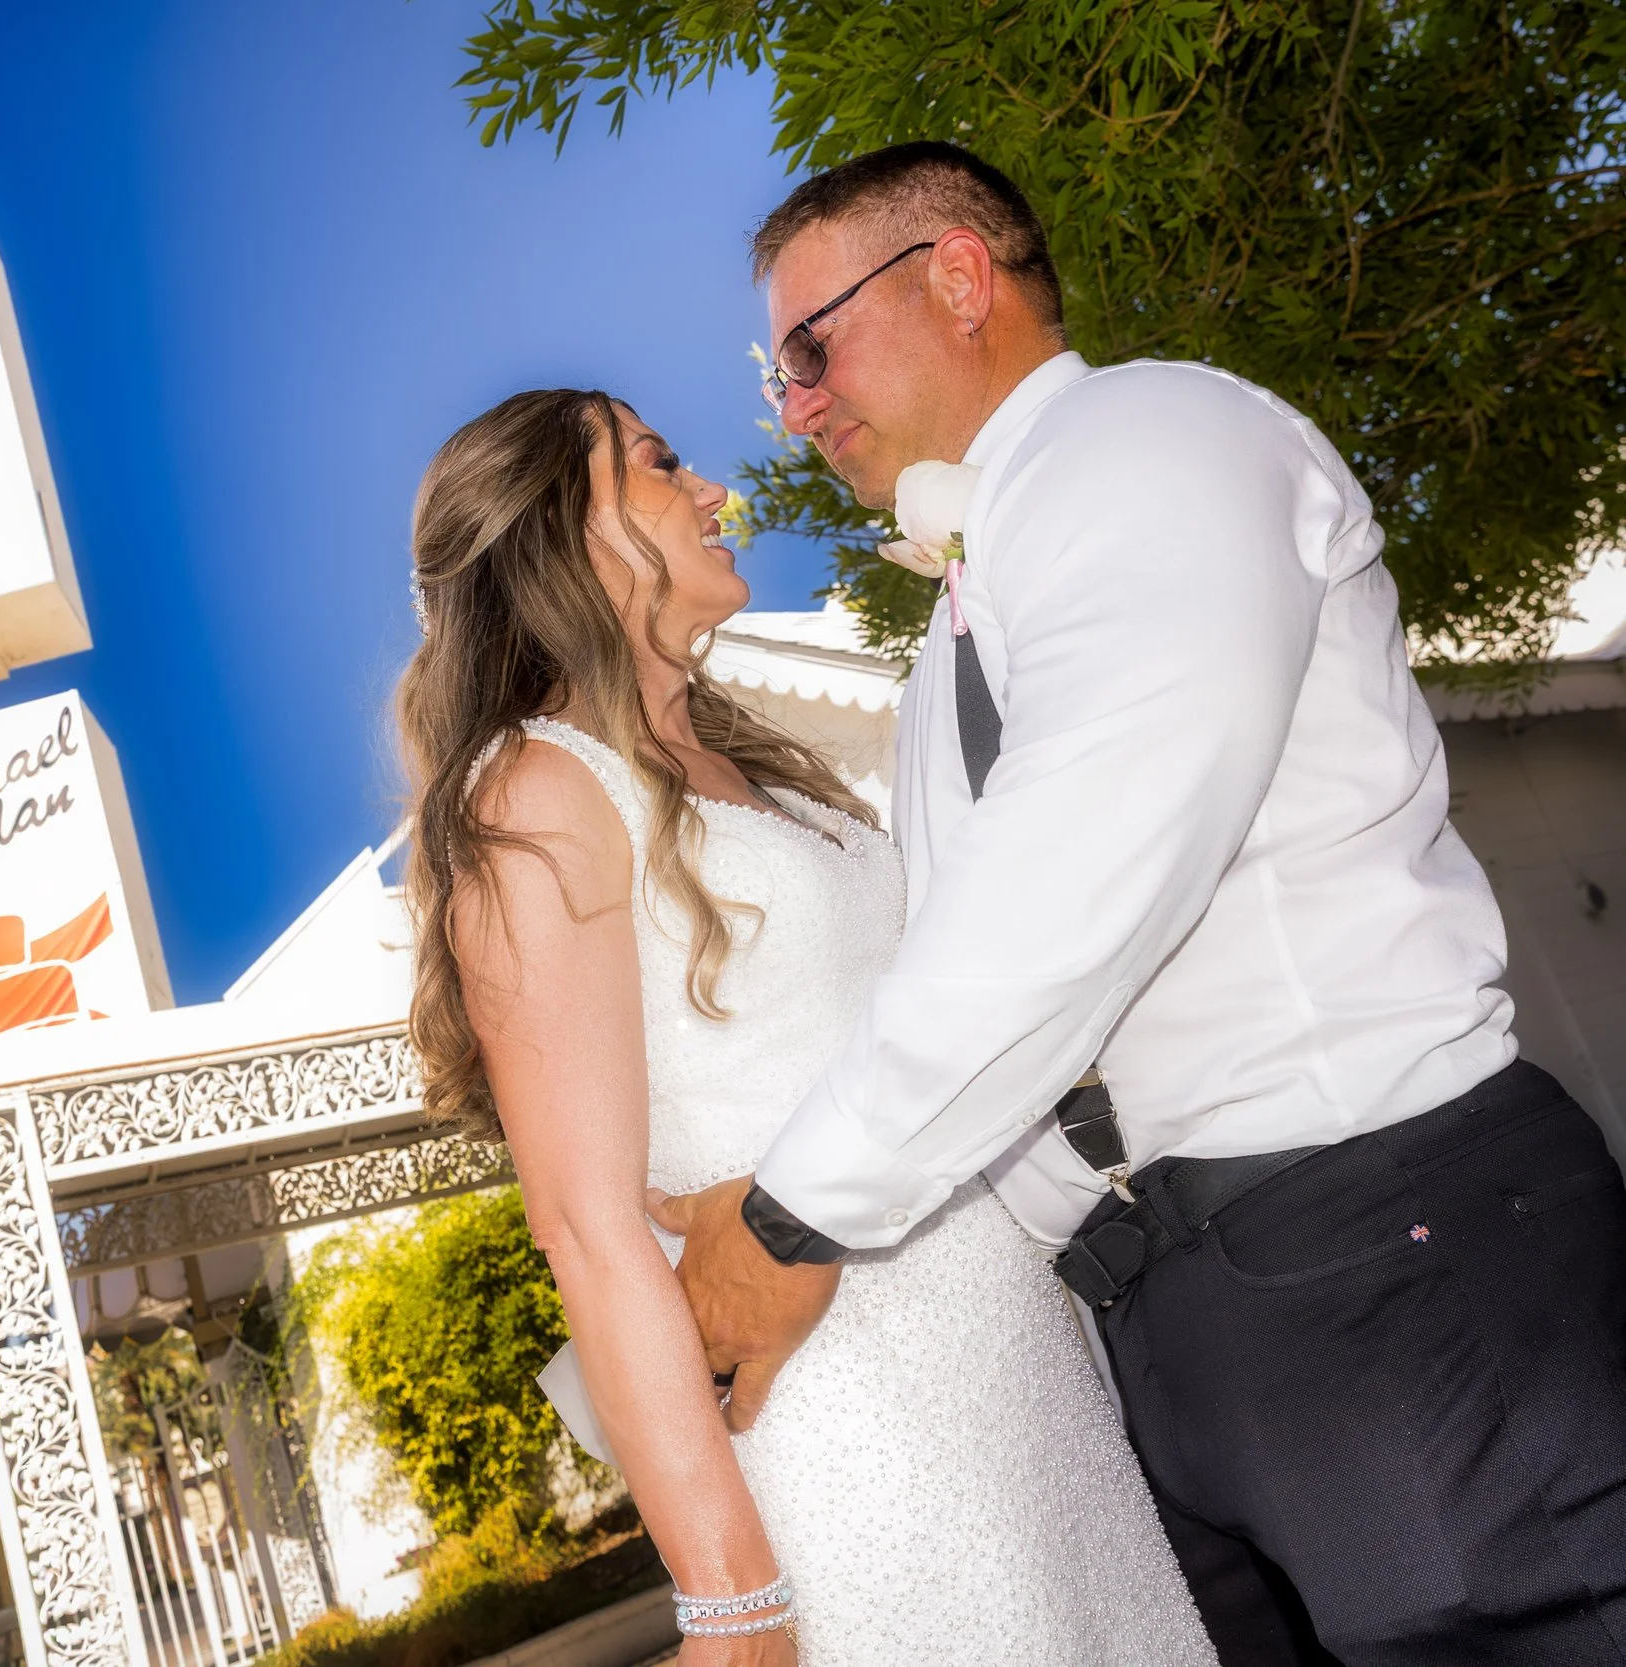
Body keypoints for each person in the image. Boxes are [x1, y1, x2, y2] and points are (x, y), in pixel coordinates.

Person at [652, 140, 1626, 1665]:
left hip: (1383, 1238)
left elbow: (1083, 866)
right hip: (1175, 1338)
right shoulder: (942, 661)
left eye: (813, 345)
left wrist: (794, 1214)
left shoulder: (1150, 437)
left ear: (960, 275)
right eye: (778, 372)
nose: (795, 404)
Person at [395, 387, 1216, 1663]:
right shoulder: (536, 791)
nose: (714, 488)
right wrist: (730, 1598)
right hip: (846, 1423)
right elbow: (584, 1225)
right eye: (658, 465)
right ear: (560, 529)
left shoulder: (760, 767)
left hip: (1014, 1381)